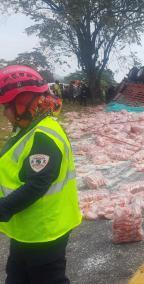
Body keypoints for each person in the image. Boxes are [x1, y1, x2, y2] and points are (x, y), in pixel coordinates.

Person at [0, 65, 82, 283]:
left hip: (45, 230)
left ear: (24, 101)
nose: (5, 112)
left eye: (7, 106)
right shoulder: (28, 128)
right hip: (27, 228)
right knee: (17, 276)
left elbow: (37, 183)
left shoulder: (43, 135)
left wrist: (3, 208)